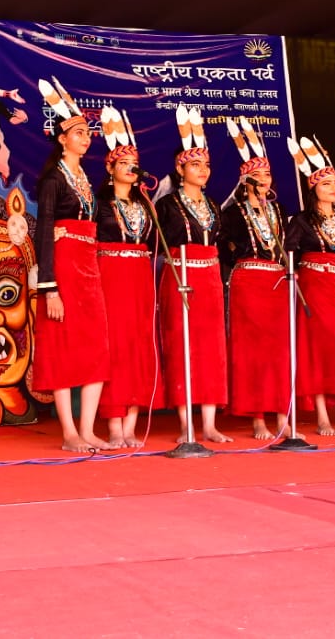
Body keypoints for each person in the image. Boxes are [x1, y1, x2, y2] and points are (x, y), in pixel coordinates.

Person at [32, 77, 112, 453]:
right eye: (78, 132)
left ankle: (89, 428)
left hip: (88, 270)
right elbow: (44, 232)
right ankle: (68, 433)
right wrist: (49, 287)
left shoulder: (86, 180)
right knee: (62, 347)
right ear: (62, 138)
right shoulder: (52, 179)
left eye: (87, 132)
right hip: (63, 269)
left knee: (96, 347)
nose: (86, 137)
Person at [155, 105, 231, 444]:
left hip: (211, 280)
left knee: (211, 349)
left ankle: (210, 422)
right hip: (181, 279)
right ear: (180, 167)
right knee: (183, 346)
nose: (203, 171)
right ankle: (186, 422)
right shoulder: (167, 205)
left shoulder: (214, 206)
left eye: (207, 166)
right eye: (196, 165)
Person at [285, 136, 335, 437]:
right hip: (316, 287)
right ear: (313, 188)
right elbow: (288, 250)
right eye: (325, 183)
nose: (333, 188)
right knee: (317, 351)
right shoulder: (302, 220)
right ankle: (322, 418)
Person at [219, 117, 293, 441]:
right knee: (253, 351)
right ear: (245, 180)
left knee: (278, 351)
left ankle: (281, 413)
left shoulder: (278, 211)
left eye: (267, 174)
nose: (264, 180)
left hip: (276, 285)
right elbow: (225, 249)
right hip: (248, 285)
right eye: (257, 175)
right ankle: (258, 418)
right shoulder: (233, 214)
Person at [94, 108, 161, 449]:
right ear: (110, 169)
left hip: (140, 276)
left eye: (134, 163)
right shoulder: (100, 202)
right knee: (116, 346)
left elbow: (154, 242)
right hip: (112, 274)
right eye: (124, 163)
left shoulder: (146, 204)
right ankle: (114, 424)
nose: (130, 169)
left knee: (139, 345)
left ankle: (132, 423)